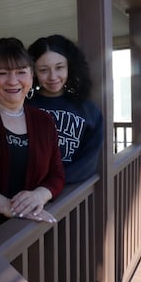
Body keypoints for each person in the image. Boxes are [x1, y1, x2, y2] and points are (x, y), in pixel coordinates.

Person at [0, 37, 64, 233]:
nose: (12, 81)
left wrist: (39, 196)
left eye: (21, 72)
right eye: (3, 73)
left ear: (31, 76)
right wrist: (6, 205)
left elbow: (57, 174)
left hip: (30, 231)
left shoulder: (44, 121)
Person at [28, 34, 104, 183]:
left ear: (70, 66)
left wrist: (51, 185)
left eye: (59, 67)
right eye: (43, 70)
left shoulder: (87, 109)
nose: (53, 76)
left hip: (70, 195)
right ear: (33, 72)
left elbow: (89, 161)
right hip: (27, 195)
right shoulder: (24, 106)